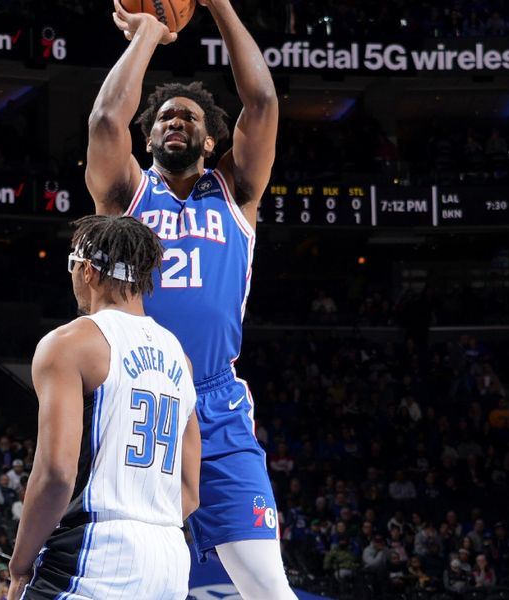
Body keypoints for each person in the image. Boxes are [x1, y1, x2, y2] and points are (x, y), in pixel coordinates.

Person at [86, 1, 290, 598]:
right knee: (145, 585)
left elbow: (264, 104)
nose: (177, 121)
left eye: (190, 117)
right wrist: (149, 33)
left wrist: (220, 4)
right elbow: (104, 122)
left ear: (211, 137)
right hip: (142, 396)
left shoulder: (237, 190)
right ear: (148, 135)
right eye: (166, 116)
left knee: (268, 587)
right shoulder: (127, 190)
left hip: (218, 401)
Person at [8, 215, 201, 599]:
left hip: (98, 548)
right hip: (169, 556)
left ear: (89, 269)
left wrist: (19, 566)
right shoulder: (180, 356)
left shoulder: (69, 343)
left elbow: (56, 474)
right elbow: (190, 491)